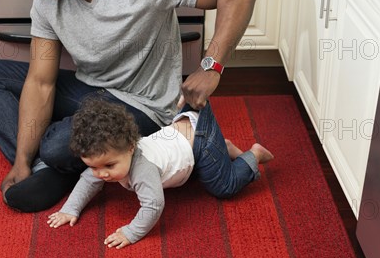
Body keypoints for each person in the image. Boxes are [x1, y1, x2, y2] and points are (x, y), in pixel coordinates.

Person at [0, 0, 257, 212]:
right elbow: (41, 82)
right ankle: (80, 161)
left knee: (55, 145)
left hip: (144, 107)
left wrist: (211, 66)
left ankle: (70, 159)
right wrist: (21, 161)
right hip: (91, 91)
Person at [47, 98, 273, 248]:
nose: (101, 174)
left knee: (224, 187)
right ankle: (223, 147)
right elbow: (88, 180)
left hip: (199, 143)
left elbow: (154, 205)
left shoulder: (143, 170)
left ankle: (253, 154)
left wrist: (131, 232)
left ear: (131, 148)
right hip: (182, 128)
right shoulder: (114, 155)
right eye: (94, 166)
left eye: (109, 166)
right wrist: (70, 209)